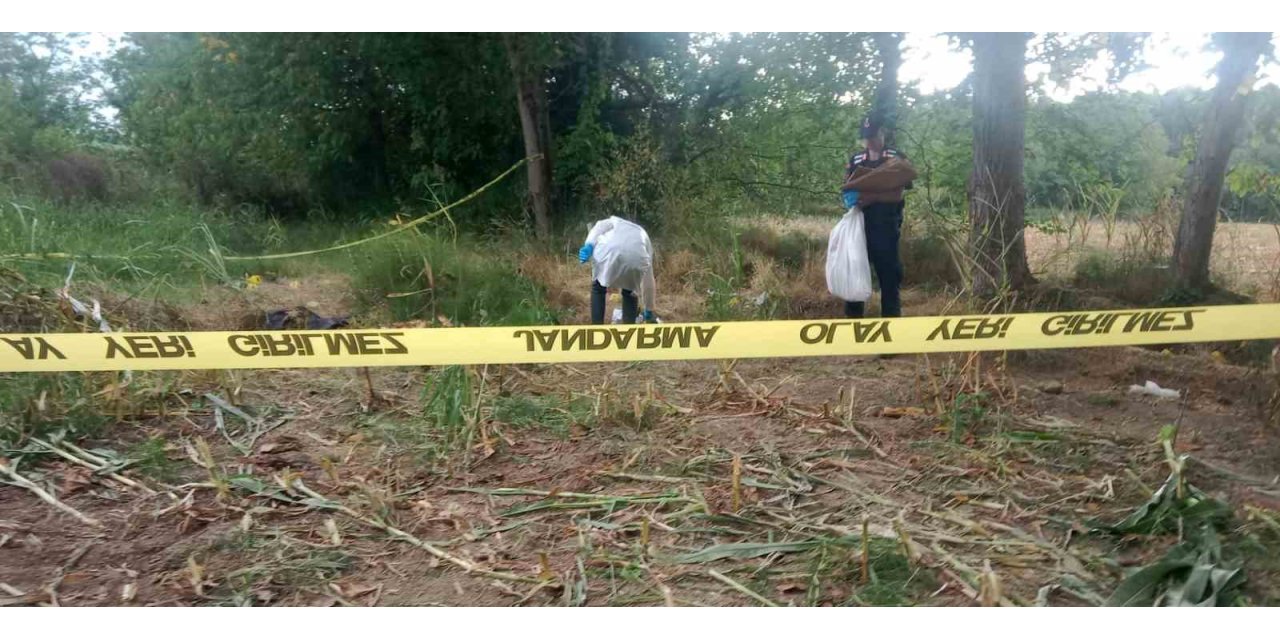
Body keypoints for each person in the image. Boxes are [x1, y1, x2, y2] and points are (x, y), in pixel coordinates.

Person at [839, 114, 912, 319]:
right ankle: (854, 329)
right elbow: (847, 190)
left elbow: (897, 194)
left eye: (873, 135)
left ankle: (889, 334)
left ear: (882, 133)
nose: (869, 141)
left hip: (887, 227)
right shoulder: (856, 159)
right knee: (854, 274)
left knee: (889, 278)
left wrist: (870, 197)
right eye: (866, 137)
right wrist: (855, 198)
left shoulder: (895, 158)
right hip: (860, 226)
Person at [578, 216, 657, 325]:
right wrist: (649, 309)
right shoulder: (643, 235)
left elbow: (598, 227)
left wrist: (589, 245)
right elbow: (648, 279)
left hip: (608, 251)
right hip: (636, 258)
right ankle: (629, 331)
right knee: (630, 291)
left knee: (598, 288)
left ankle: (596, 327)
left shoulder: (614, 221)